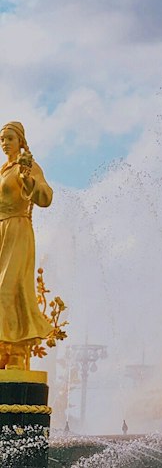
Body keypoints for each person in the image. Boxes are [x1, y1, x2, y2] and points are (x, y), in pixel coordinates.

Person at [0, 121, 54, 369]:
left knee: (8, 289)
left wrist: (28, 180)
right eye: (2, 139)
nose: (5, 143)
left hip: (18, 231)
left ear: (20, 141)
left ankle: (17, 354)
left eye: (10, 138)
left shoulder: (27, 166)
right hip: (1, 232)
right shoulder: (2, 171)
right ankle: (4, 351)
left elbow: (45, 196)